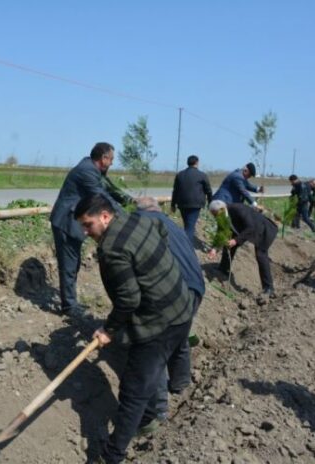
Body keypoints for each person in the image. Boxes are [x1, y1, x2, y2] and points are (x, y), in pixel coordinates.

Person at [74, 194, 194, 464]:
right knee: (148, 374)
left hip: (159, 323)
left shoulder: (111, 249)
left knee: (132, 390)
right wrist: (153, 267)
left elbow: (129, 299)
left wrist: (108, 329)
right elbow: (162, 230)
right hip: (181, 306)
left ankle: (112, 455)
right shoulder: (138, 219)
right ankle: (150, 420)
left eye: (88, 224)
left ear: (105, 216)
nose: (84, 232)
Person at [135, 197, 205, 426]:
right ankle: (181, 383)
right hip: (195, 287)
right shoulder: (174, 225)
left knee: (155, 348)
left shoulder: (144, 227)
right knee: (179, 335)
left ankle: (158, 410)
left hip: (175, 291)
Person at [49, 142, 133, 314]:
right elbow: (101, 196)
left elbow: (110, 189)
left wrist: (130, 201)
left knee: (73, 263)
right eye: (111, 159)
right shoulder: (87, 170)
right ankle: (69, 307)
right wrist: (125, 216)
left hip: (73, 221)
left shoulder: (91, 169)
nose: (111, 163)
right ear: (104, 158)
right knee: (69, 264)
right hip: (66, 222)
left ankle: (71, 302)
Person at [207, 200, 278, 296]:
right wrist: (214, 249)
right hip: (243, 230)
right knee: (229, 246)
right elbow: (221, 232)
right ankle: (224, 268)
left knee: (261, 255)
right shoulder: (222, 215)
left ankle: (268, 288)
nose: (216, 217)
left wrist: (235, 240)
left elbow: (250, 228)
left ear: (222, 209)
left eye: (216, 214)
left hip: (262, 229)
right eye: (214, 215)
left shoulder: (238, 209)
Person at [170, 155, 212, 244]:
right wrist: (211, 202)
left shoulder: (180, 175)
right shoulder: (202, 175)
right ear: (197, 163)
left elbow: (175, 191)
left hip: (182, 204)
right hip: (195, 204)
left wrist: (173, 205)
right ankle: (187, 247)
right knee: (190, 226)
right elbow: (208, 190)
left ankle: (184, 244)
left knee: (187, 224)